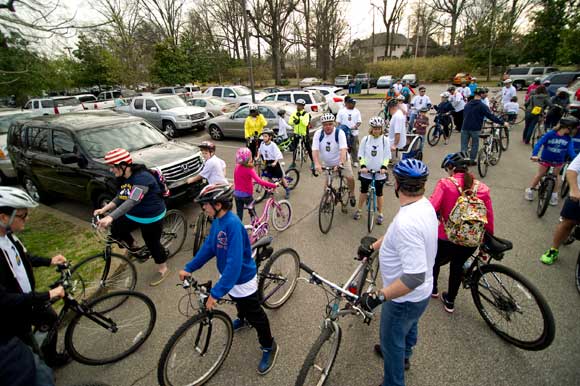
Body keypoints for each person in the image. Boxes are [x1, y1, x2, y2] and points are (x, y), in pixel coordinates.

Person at [179, 184, 279, 375]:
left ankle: (269, 346)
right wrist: (189, 267)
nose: (203, 208)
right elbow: (209, 247)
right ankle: (242, 318)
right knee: (238, 302)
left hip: (242, 279)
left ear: (218, 204)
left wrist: (216, 293)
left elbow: (234, 265)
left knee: (256, 315)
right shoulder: (216, 221)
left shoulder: (232, 224)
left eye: (205, 204)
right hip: (229, 277)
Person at [357, 159, 437, 386]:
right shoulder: (423, 206)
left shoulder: (407, 223)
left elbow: (413, 277)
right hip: (421, 294)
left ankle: (393, 380)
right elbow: (393, 233)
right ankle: (406, 356)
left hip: (404, 297)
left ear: (397, 185)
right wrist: (372, 247)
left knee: (392, 342)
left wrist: (378, 297)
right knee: (410, 325)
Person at [0, 188, 71, 386]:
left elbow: (24, 257)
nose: (27, 219)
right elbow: (4, 299)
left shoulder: (8, 235)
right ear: (4, 216)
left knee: (50, 318)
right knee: (27, 344)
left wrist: (50, 261)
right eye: (22, 215)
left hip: (27, 299)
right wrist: (47, 294)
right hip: (11, 313)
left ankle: (51, 358)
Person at [430, 152, 494, 312]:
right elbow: (489, 216)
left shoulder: (445, 184)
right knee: (457, 266)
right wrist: (488, 238)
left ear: (451, 168)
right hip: (471, 238)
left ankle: (433, 289)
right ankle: (450, 300)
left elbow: (432, 207)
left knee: (435, 261)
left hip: (446, 237)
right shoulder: (483, 188)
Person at [95, 148, 170, 286]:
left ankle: (163, 268)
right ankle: (134, 247)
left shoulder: (143, 178)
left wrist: (110, 217)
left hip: (151, 216)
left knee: (152, 243)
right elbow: (122, 196)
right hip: (134, 213)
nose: (111, 170)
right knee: (117, 228)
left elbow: (132, 200)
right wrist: (104, 209)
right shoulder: (125, 177)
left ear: (123, 165)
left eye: (113, 167)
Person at [540, 142, 580, 265]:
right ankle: (554, 249)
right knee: (567, 223)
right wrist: (574, 189)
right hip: (578, 195)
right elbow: (572, 170)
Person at [525, 117, 577, 206]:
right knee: (540, 174)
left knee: (555, 177)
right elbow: (539, 144)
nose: (573, 131)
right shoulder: (550, 134)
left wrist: (575, 160)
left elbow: (571, 151)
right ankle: (531, 189)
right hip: (546, 159)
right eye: (572, 128)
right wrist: (534, 154)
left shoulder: (568, 138)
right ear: (567, 127)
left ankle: (554, 195)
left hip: (558, 161)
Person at [312, 112, 356, 207]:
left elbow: (343, 149)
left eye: (330, 124)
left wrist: (340, 163)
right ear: (322, 125)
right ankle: (327, 199)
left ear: (334, 124)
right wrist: (316, 163)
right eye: (325, 124)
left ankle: (352, 194)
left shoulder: (339, 133)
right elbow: (315, 150)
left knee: (350, 177)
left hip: (342, 160)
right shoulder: (318, 134)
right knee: (327, 182)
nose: (328, 126)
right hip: (328, 163)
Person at [354, 117, 391, 225]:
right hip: (366, 171)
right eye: (375, 128)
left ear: (381, 129)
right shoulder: (365, 139)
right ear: (371, 128)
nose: (377, 130)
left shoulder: (385, 140)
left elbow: (387, 156)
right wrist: (363, 165)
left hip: (380, 172)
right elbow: (360, 154)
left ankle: (380, 213)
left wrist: (384, 167)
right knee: (363, 191)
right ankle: (359, 210)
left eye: (379, 128)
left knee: (379, 193)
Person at [461, 87, 509, 164]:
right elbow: (491, 116)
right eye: (485, 93)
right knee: (474, 145)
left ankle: (463, 161)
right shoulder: (482, 106)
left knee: (464, 146)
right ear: (481, 94)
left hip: (464, 127)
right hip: (475, 128)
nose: (486, 95)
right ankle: (472, 160)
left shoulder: (467, 104)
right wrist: (503, 123)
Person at [233, 147, 277, 221]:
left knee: (239, 214)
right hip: (247, 196)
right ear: (248, 159)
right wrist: (274, 185)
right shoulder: (249, 169)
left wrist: (251, 182)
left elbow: (239, 179)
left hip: (237, 195)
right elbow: (260, 181)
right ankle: (255, 227)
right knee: (252, 213)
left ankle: (238, 229)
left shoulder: (237, 167)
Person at [258, 128, 290, 198]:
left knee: (281, 177)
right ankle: (270, 191)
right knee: (269, 177)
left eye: (266, 136)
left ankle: (287, 189)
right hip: (267, 162)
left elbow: (278, 154)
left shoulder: (273, 145)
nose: (264, 138)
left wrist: (275, 162)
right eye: (263, 136)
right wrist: (257, 157)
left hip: (274, 162)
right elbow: (260, 151)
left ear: (270, 137)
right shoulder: (262, 143)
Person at [288, 99, 314, 170]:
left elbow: (306, 123)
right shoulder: (294, 113)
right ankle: (293, 162)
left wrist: (300, 118)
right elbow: (290, 122)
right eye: (297, 105)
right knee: (295, 148)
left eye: (300, 105)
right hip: (296, 133)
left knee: (308, 148)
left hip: (304, 134)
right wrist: (294, 121)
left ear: (303, 106)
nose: (298, 106)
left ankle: (313, 162)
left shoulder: (306, 114)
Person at [336, 97, 362, 167]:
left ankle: (355, 160)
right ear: (347, 103)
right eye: (352, 103)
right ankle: (343, 160)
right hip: (343, 133)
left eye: (354, 103)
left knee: (354, 147)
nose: (354, 104)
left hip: (354, 132)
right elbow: (338, 122)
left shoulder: (357, 111)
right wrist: (339, 130)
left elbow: (359, 122)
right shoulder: (341, 111)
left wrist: (355, 126)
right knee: (343, 147)